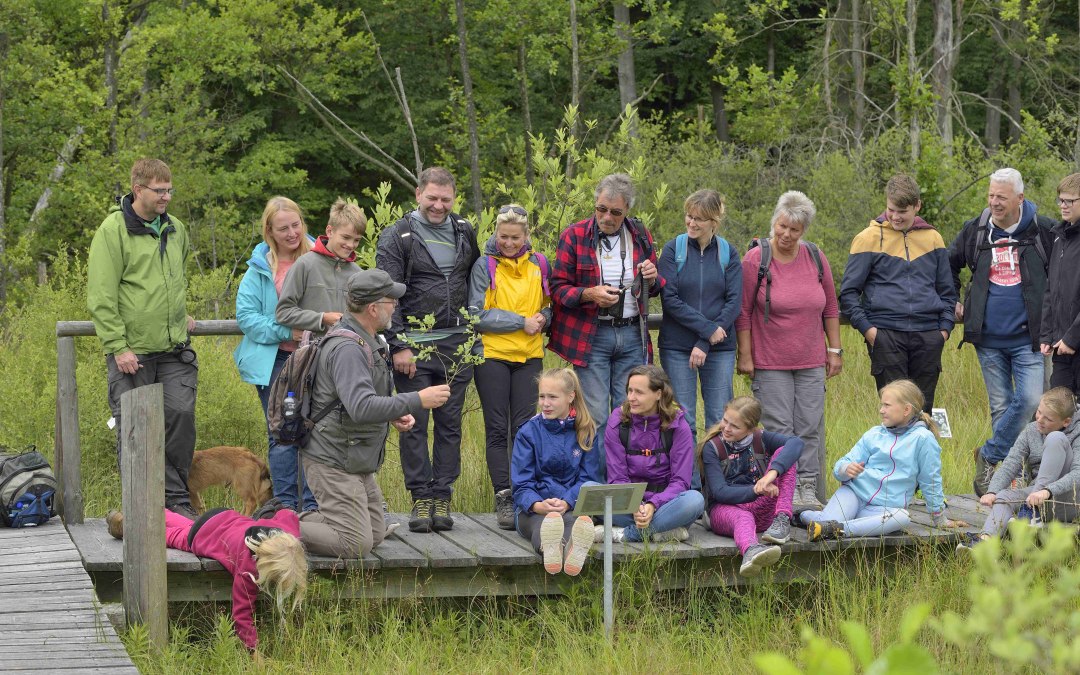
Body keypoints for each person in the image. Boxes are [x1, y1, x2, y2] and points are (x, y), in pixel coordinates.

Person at [297, 270, 451, 558]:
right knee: (355, 543)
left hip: (353, 458)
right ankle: (276, 526)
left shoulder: (369, 339)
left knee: (375, 534)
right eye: (391, 300)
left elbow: (356, 401)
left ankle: (302, 523)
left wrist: (392, 414)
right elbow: (361, 407)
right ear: (373, 308)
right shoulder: (348, 348)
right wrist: (417, 399)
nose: (395, 305)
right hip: (333, 459)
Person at [87, 158, 199, 519]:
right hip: (132, 353)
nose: (166, 196)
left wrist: (179, 314)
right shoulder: (113, 230)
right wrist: (118, 347)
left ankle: (176, 500)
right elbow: (102, 294)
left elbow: (173, 281)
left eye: (169, 190)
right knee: (133, 428)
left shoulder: (176, 229)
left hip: (173, 349)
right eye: (159, 190)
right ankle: (139, 505)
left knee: (180, 416)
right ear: (138, 190)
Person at [376, 167, 481, 533]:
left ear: (454, 199)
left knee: (451, 425)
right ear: (418, 194)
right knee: (415, 425)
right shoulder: (397, 236)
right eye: (432, 198)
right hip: (414, 349)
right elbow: (388, 293)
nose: (438, 205)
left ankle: (442, 496)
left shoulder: (464, 231)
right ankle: (420, 496)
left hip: (457, 345)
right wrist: (399, 345)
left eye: (446, 199)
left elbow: (475, 279)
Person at [949, 168, 1055, 496]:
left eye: (1001, 197)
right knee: (1001, 407)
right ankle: (1009, 482)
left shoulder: (1044, 230)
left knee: (1031, 400)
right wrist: (953, 298)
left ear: (1019, 199)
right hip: (988, 337)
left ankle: (991, 455)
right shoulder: (976, 230)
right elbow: (948, 264)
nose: (994, 203)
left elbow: (1064, 272)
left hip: (1030, 338)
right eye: (991, 195)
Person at [549, 173, 663, 476]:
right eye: (601, 209)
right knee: (597, 415)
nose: (607, 217)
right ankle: (596, 489)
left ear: (627, 211)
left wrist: (652, 276)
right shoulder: (574, 235)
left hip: (631, 333)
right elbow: (557, 289)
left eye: (615, 212)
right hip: (591, 335)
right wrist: (589, 294)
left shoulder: (639, 234)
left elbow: (659, 284)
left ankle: (624, 483)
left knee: (629, 413)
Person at [736, 191, 841, 512]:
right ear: (774, 223)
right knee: (780, 430)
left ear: (803, 231)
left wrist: (834, 349)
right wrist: (745, 355)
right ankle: (787, 489)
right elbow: (742, 311)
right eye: (782, 226)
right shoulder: (756, 260)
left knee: (810, 427)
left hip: (811, 360)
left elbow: (831, 307)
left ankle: (808, 488)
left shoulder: (814, 256)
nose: (786, 234)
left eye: (794, 230)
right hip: (770, 363)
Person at [105, 506, 307, 656]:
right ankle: (127, 527)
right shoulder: (248, 569)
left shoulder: (286, 534)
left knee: (182, 522)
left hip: (220, 516)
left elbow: (287, 514)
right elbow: (242, 613)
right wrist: (252, 651)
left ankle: (144, 509)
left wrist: (269, 515)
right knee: (164, 536)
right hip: (200, 536)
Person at [840, 174, 956, 413]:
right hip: (886, 336)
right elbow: (849, 293)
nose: (895, 216)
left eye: (902, 211)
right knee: (893, 414)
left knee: (922, 413)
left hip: (928, 337)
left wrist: (943, 331)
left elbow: (947, 291)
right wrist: (871, 332)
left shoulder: (933, 238)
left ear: (917, 206)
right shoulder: (867, 238)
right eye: (891, 209)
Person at [468, 204, 552, 529]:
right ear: (496, 234)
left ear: (526, 236)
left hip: (530, 356)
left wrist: (545, 317)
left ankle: (523, 494)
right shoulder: (484, 265)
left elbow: (548, 304)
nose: (509, 243)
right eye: (503, 236)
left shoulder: (539, 263)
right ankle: (503, 495)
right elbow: (476, 314)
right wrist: (520, 322)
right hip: (492, 354)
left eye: (515, 237)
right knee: (497, 430)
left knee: (525, 430)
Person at [799, 379, 965, 540]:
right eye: (881, 404)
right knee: (827, 521)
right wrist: (845, 469)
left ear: (906, 409)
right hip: (853, 494)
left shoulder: (923, 439)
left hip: (884, 508)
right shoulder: (874, 433)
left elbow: (931, 480)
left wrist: (939, 518)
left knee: (902, 518)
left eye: (887, 405)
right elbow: (842, 463)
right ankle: (805, 516)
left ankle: (838, 528)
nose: (881, 410)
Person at [234, 197, 317, 512]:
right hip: (276, 363)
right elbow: (247, 317)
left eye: (296, 225)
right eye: (283, 228)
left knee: (315, 431)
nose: (292, 233)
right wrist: (288, 332)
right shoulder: (259, 268)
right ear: (269, 230)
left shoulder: (320, 257)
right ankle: (285, 507)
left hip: (316, 360)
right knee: (283, 433)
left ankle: (312, 507)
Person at [657, 189, 742, 463]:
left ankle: (716, 488)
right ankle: (690, 485)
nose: (691, 223)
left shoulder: (728, 253)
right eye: (689, 216)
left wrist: (705, 341)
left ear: (714, 221)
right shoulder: (673, 250)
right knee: (684, 419)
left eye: (699, 219)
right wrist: (706, 330)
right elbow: (669, 299)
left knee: (720, 420)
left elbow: (734, 302)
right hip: (678, 347)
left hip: (719, 348)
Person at [958, 387, 1080, 552]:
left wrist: (1046, 491)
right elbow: (1011, 463)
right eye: (1038, 412)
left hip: (1069, 500)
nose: (1040, 420)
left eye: (1048, 418)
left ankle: (1032, 509)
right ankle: (984, 543)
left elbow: (1077, 474)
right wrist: (993, 491)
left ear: (1066, 422)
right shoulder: (1031, 430)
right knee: (1004, 495)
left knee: (1055, 438)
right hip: (1037, 498)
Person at [594, 365, 705, 543]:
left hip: (666, 506)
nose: (631, 398)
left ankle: (624, 534)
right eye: (629, 391)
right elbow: (617, 477)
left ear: (659, 394)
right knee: (587, 490)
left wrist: (653, 504)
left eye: (639, 392)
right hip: (627, 506)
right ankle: (661, 532)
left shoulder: (678, 425)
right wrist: (634, 505)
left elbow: (681, 481)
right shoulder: (618, 420)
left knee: (695, 500)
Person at [699, 396, 803, 577]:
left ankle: (782, 520)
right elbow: (719, 492)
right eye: (725, 421)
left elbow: (797, 443)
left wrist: (772, 474)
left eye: (735, 426)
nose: (726, 428)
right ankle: (751, 550)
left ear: (751, 429)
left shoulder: (760, 438)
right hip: (724, 511)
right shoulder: (713, 447)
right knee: (743, 516)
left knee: (784, 454)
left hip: (762, 511)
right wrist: (756, 489)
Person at [511, 368, 600, 576]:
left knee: (573, 523)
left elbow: (589, 478)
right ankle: (549, 548)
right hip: (532, 509)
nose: (545, 403)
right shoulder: (528, 432)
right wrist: (537, 504)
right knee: (543, 525)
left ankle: (571, 551)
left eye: (552, 397)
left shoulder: (586, 431)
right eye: (542, 396)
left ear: (571, 397)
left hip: (570, 506)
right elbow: (521, 483)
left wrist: (568, 501)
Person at [275, 198, 366, 337]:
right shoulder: (304, 265)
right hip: (312, 353)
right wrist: (322, 318)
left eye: (356, 240)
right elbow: (283, 313)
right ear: (329, 231)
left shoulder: (358, 274)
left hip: (347, 352)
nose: (351, 245)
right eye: (346, 237)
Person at [1041, 173, 1080, 395]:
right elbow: (1051, 290)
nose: (1063, 206)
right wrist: (1047, 335)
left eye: (1069, 201)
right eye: (1060, 200)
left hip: (1073, 341)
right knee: (1058, 409)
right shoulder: (1059, 237)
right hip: (1061, 346)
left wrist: (1072, 338)